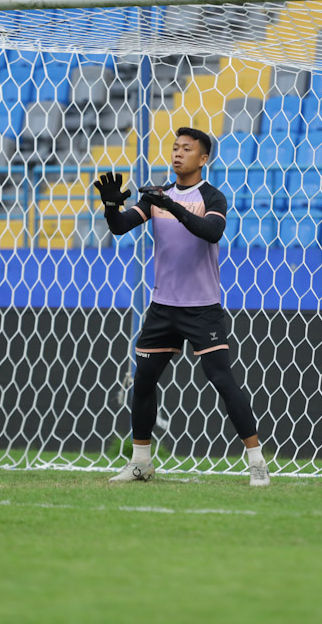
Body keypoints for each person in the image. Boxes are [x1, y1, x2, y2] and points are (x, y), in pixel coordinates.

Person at [94, 127, 270, 487]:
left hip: (202, 308)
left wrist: (170, 206)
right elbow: (121, 227)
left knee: (223, 381)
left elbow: (211, 232)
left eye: (186, 149)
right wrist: (112, 205)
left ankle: (257, 462)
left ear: (203, 159)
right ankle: (140, 462)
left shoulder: (212, 196)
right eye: (174, 147)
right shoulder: (158, 195)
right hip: (163, 307)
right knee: (143, 381)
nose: (177, 153)